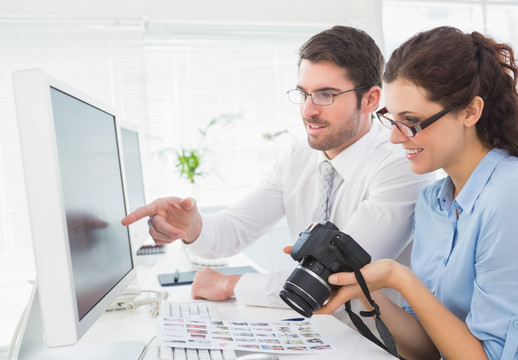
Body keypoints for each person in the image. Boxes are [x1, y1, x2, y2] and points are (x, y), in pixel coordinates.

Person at [122, 25, 436, 328]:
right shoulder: (297, 158)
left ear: (370, 99)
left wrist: (233, 284)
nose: (308, 110)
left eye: (325, 94)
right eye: (303, 94)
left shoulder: (400, 164)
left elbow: (336, 276)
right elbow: (233, 230)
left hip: (375, 341)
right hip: (312, 330)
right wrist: (191, 227)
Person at [317, 26, 518, 359]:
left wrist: (399, 278)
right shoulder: (432, 203)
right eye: (390, 119)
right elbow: (428, 348)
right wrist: (363, 286)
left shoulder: (517, 196)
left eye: (411, 121)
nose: (395, 137)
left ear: (470, 112)